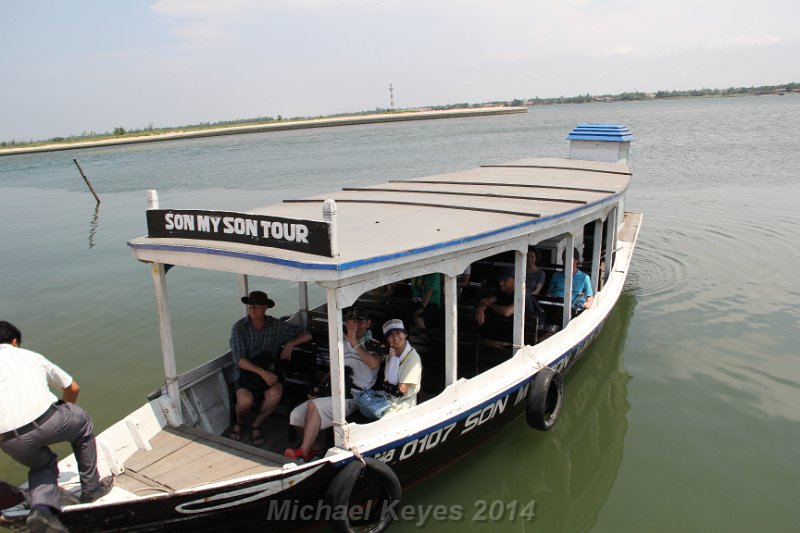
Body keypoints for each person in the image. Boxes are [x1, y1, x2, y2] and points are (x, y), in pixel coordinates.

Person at [0, 321, 113, 533]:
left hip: (7, 438)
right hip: (46, 420)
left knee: (42, 465)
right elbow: (72, 386)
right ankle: (91, 490)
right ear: (14, 341)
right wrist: (66, 414)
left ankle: (42, 511)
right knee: (83, 424)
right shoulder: (30, 356)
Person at [285, 307, 380, 462]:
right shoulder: (342, 343)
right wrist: (319, 387)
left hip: (355, 397)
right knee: (296, 415)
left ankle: (302, 452)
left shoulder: (373, 344)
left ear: (368, 324)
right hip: (335, 392)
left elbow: (374, 363)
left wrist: (354, 341)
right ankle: (316, 449)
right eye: (352, 321)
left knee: (313, 406)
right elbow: (334, 369)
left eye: (360, 322)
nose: (355, 325)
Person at [229, 291, 311, 446]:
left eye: (257, 306)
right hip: (246, 372)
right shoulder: (239, 328)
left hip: (269, 368)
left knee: (275, 394)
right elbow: (239, 360)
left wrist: (291, 343)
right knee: (245, 402)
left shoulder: (276, 326)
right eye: (250, 305)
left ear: (266, 307)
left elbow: (306, 334)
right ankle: (239, 421)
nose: (252, 309)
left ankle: (256, 424)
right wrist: (262, 372)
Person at [379, 319, 422, 415]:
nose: (395, 338)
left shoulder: (413, 357)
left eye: (398, 333)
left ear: (405, 334)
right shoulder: (390, 353)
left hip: (403, 404)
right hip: (387, 399)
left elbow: (401, 390)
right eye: (390, 335)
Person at [547, 249, 594, 315]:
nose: (566, 261)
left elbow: (589, 295)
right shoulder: (556, 275)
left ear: (576, 260)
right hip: (555, 307)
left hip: (572, 308)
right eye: (564, 259)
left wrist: (588, 304)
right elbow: (549, 293)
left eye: (569, 258)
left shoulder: (585, 277)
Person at [474, 267, 516, 341]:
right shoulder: (500, 291)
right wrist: (480, 307)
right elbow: (485, 301)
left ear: (514, 280)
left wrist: (489, 304)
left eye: (505, 280)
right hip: (505, 331)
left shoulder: (522, 294)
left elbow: (507, 312)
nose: (501, 283)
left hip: (522, 335)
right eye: (500, 280)